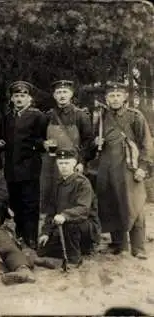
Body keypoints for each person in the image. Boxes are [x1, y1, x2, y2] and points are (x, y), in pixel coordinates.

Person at [94, 82, 153, 259]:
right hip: (107, 167)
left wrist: (143, 167)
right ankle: (120, 244)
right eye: (111, 96)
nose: (115, 99)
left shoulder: (135, 116)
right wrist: (95, 142)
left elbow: (146, 144)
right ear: (106, 99)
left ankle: (138, 247)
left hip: (129, 168)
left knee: (134, 204)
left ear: (125, 97)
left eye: (118, 95)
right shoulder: (101, 117)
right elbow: (93, 143)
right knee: (111, 203)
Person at [37, 149, 101, 268]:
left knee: (70, 225)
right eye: (61, 163)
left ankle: (75, 258)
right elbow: (51, 212)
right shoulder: (58, 184)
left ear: (74, 163)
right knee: (42, 250)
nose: (64, 167)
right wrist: (46, 232)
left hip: (85, 226)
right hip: (64, 226)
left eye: (67, 163)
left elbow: (83, 209)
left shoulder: (82, 183)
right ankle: (73, 248)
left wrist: (65, 216)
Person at [3, 81, 48, 249]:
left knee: (30, 204)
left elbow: (43, 139)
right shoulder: (8, 117)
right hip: (11, 169)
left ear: (29, 98)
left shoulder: (38, 116)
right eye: (16, 96)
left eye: (23, 96)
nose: (19, 99)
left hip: (30, 167)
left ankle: (31, 238)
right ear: (12, 98)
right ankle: (20, 236)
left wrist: (38, 145)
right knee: (15, 204)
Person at [40, 80, 94, 215]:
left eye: (65, 92)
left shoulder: (80, 115)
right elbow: (39, 137)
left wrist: (82, 162)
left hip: (72, 163)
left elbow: (88, 142)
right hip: (51, 165)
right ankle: (51, 231)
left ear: (71, 94)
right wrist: (43, 144)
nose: (62, 95)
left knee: (72, 197)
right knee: (52, 197)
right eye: (58, 92)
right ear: (54, 95)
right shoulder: (48, 116)